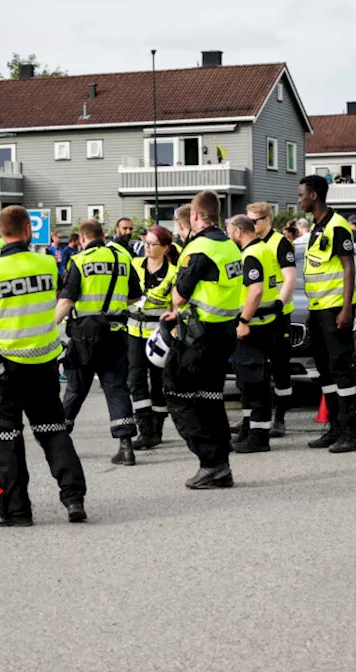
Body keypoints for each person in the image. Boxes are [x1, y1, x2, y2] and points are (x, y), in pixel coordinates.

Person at [0, 205, 87, 526]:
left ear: (1, 232)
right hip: (44, 364)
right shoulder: (47, 263)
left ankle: (16, 512)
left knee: (7, 439)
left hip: (4, 369)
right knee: (54, 432)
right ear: (28, 229)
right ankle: (73, 500)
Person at [162, 190, 244, 488]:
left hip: (199, 337)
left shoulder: (199, 248)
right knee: (211, 398)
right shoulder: (230, 246)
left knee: (177, 394)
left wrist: (176, 307)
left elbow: (180, 295)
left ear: (195, 216)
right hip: (224, 332)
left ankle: (211, 463)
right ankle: (221, 462)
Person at [55, 219, 142, 466]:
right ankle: (126, 447)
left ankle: (59, 440)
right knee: (116, 387)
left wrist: (49, 329)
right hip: (115, 332)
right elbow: (135, 296)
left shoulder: (79, 261)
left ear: (82, 239)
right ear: (103, 235)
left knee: (75, 389)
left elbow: (67, 300)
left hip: (84, 337)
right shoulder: (122, 258)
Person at [298, 175, 356, 453]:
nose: (298, 198)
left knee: (341, 369)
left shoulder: (337, 227)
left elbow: (349, 267)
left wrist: (346, 308)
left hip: (337, 309)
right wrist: (312, 310)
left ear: (314, 195)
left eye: (301, 194)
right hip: (319, 309)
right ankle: (335, 429)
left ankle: (351, 434)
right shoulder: (317, 226)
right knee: (324, 370)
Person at [227, 214, 282, 454]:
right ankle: (250, 429)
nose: (229, 234)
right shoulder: (265, 249)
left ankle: (258, 436)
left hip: (253, 324)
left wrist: (243, 320)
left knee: (254, 381)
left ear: (238, 231)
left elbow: (256, 290)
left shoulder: (250, 254)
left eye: (230, 230)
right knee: (251, 381)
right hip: (266, 321)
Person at [126, 224, 179, 450]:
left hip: (159, 336)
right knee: (136, 381)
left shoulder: (174, 273)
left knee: (159, 383)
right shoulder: (135, 265)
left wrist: (173, 325)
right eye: (145, 243)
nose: (147, 248)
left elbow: (177, 307)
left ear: (165, 247)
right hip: (133, 332)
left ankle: (157, 427)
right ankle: (145, 430)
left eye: (152, 244)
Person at [248, 201, 297, 436]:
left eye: (254, 221)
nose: (250, 225)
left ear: (267, 220)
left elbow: (290, 278)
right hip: (256, 317)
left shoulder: (280, 243)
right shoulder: (248, 243)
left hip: (277, 316)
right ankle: (254, 417)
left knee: (279, 368)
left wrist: (279, 302)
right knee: (254, 369)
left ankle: (280, 418)